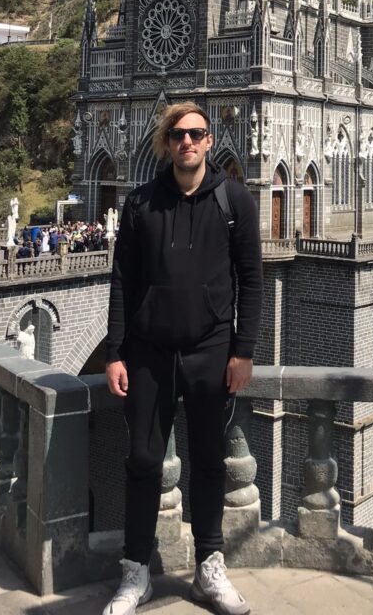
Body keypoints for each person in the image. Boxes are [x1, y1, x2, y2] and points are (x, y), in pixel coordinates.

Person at [103, 102, 262, 615]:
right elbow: (123, 279)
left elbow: (251, 278)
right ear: (166, 142)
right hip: (148, 352)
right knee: (144, 461)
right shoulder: (141, 202)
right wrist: (115, 352)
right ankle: (136, 572)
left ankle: (209, 568)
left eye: (196, 133)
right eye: (177, 134)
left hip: (210, 350)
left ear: (210, 140)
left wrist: (244, 351)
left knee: (210, 460)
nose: (187, 142)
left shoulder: (234, 198)